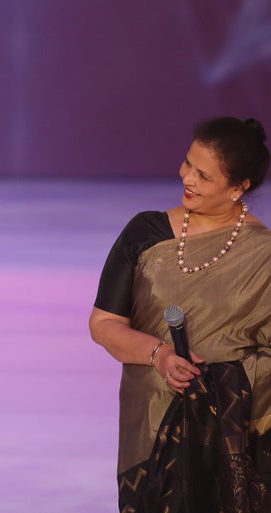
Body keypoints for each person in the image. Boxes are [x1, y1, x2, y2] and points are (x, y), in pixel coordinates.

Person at [89, 117, 271, 512]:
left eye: (204, 176)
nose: (186, 177)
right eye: (188, 163)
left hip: (232, 437)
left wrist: (221, 379)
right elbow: (103, 325)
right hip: (150, 424)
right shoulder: (145, 232)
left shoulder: (264, 255)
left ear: (239, 187)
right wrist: (160, 355)